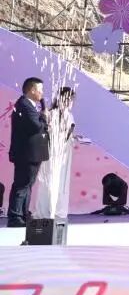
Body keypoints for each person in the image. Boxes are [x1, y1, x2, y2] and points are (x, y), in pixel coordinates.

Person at [7, 77, 49, 227]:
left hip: (31, 153)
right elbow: (35, 126)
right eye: (40, 90)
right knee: (21, 185)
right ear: (32, 90)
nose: (42, 93)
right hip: (26, 153)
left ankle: (23, 214)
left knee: (27, 185)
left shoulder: (29, 105)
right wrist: (44, 117)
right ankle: (15, 217)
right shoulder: (24, 105)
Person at [32, 87, 76, 220]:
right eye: (68, 98)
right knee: (49, 180)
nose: (69, 101)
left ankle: (57, 210)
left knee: (61, 181)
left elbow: (68, 133)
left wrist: (72, 136)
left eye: (71, 99)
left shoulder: (68, 114)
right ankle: (46, 211)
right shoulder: (52, 113)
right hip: (53, 152)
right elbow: (47, 132)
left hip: (64, 153)